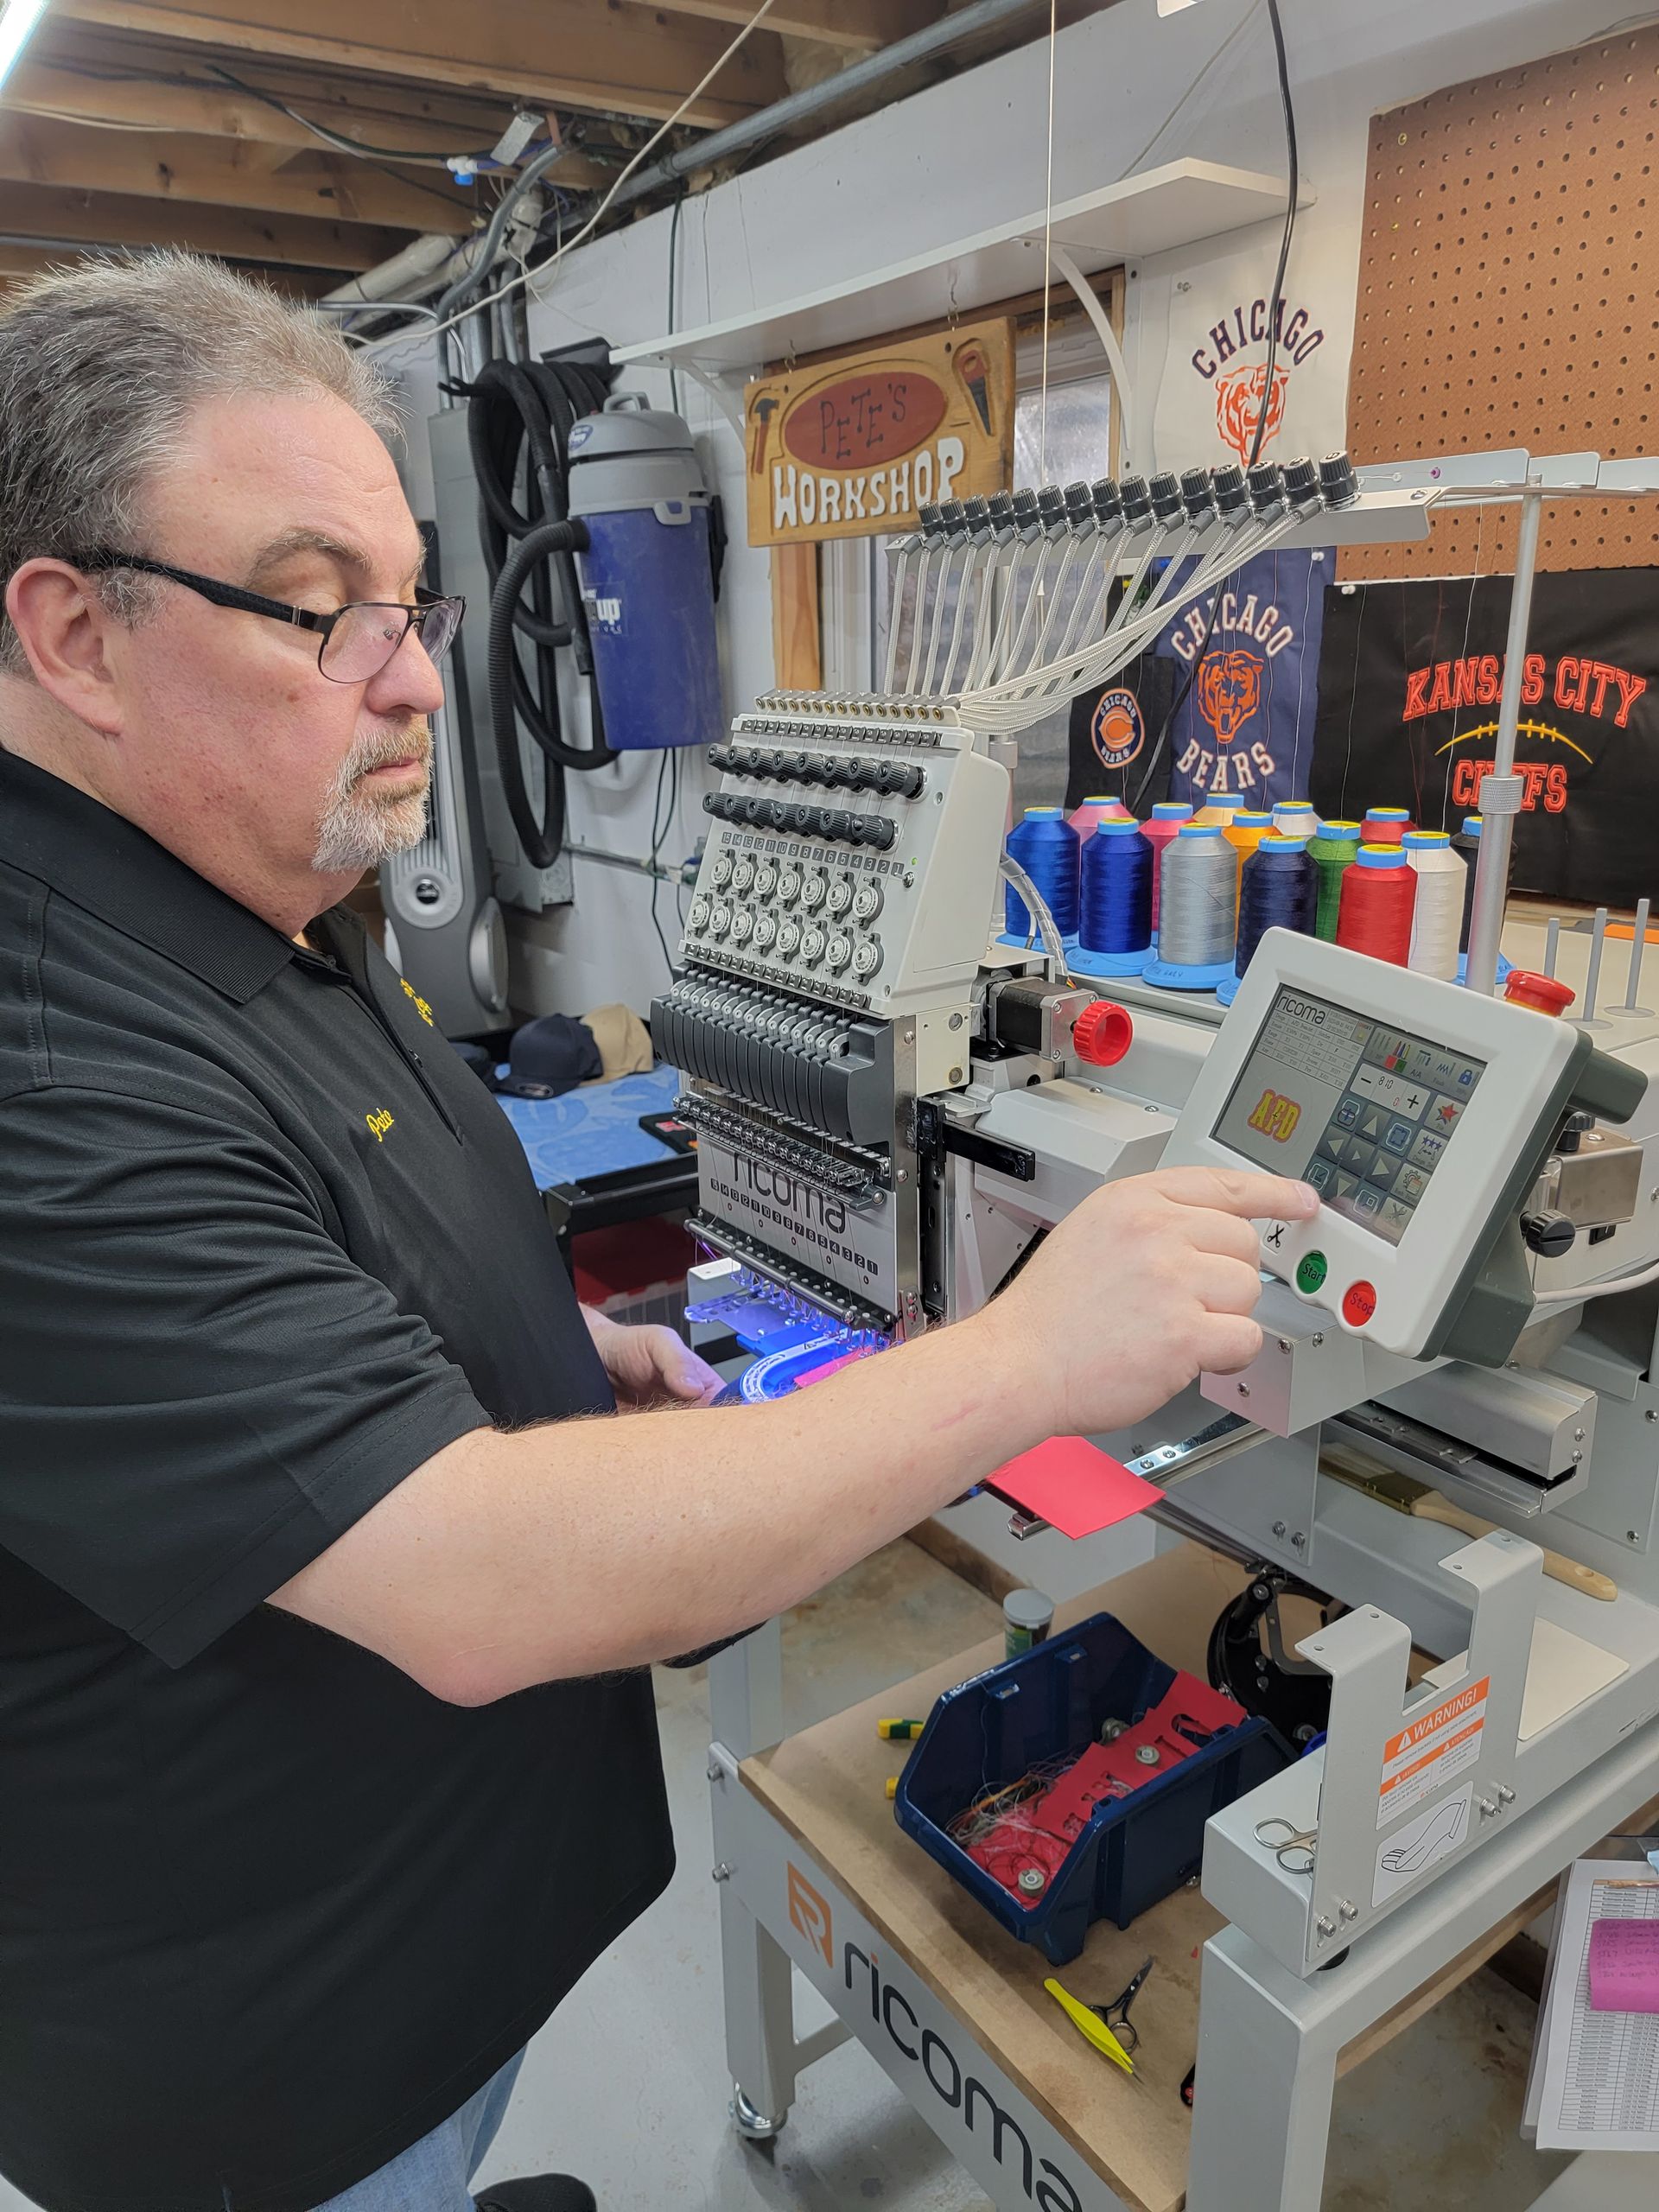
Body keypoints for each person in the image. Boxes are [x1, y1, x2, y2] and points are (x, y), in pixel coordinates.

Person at [0, 252, 1316, 2212]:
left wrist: (541, 1355)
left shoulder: (256, 884)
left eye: (412, 603)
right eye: (317, 608)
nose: (416, 679)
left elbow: (322, 1244)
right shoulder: (44, 1063)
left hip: (429, 1950)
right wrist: (1026, 1356)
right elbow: (470, 1582)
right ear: (74, 637)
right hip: (284, 2081)